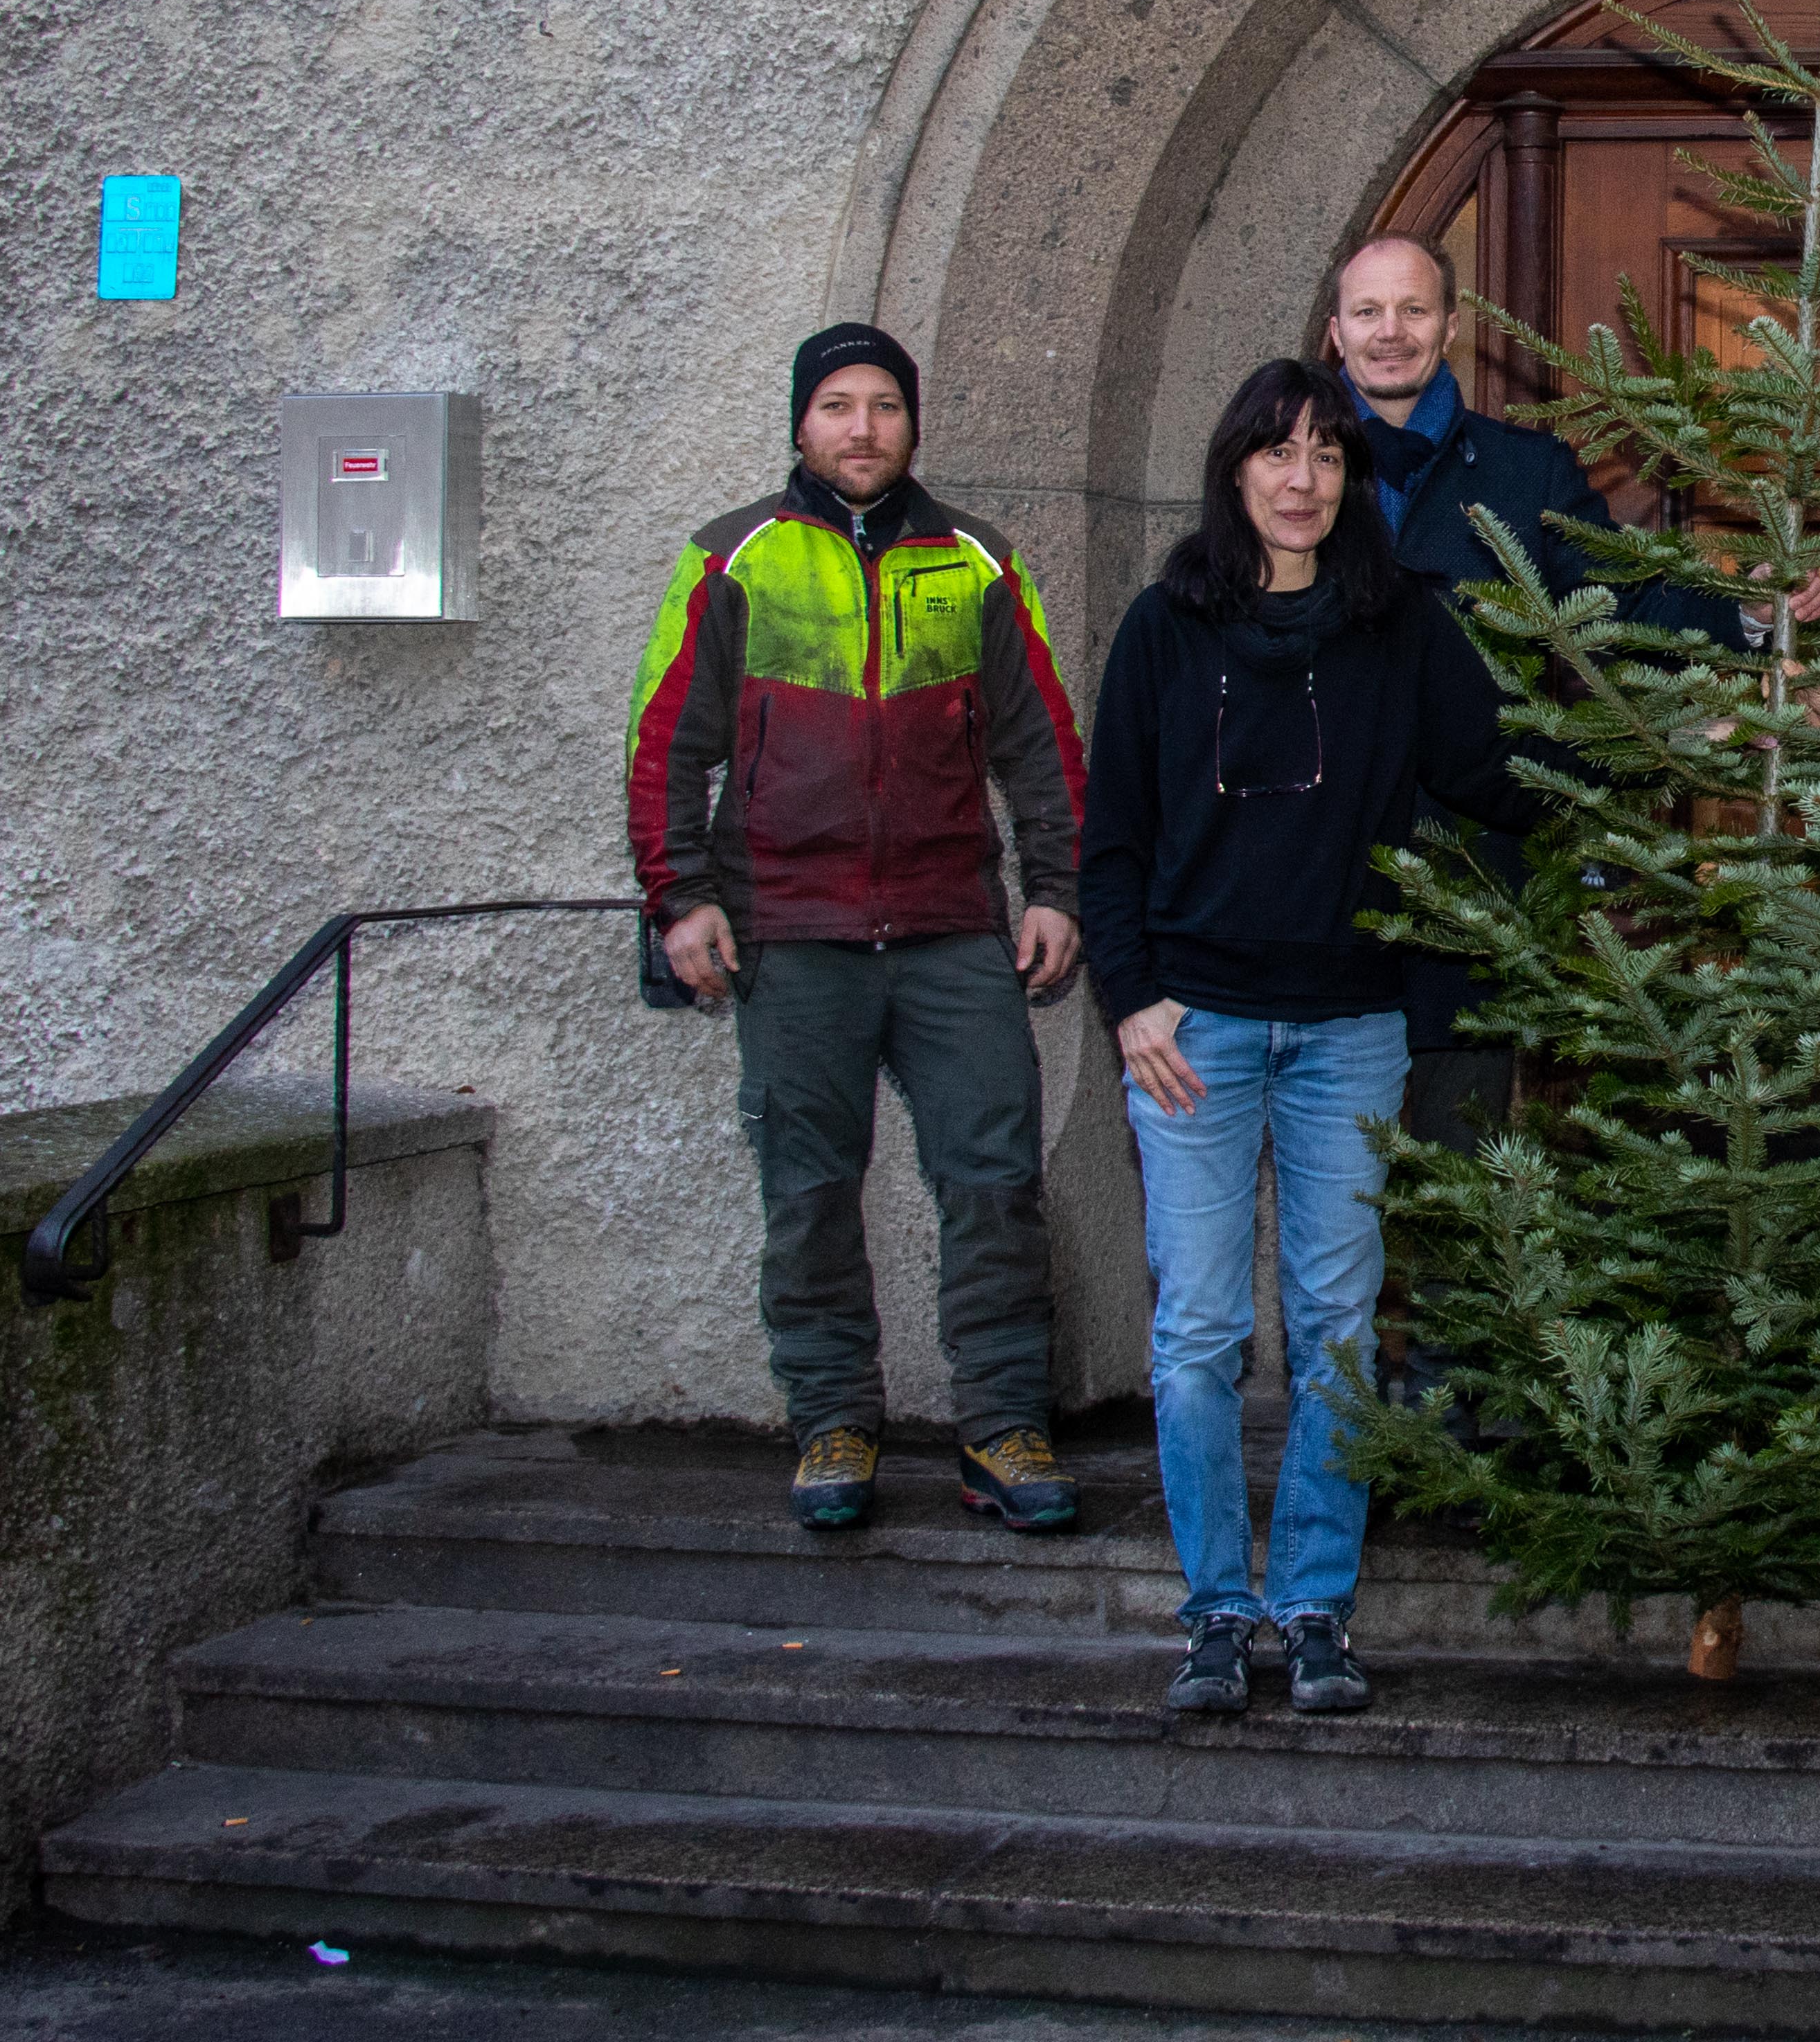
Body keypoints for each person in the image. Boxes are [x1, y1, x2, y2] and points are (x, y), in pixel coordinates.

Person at [1080, 356, 1546, 1719]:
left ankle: (1318, 1604)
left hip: (1351, 1027)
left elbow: (1492, 769)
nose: (1303, 478)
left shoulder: (1396, 623)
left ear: (1353, 477)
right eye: (1278, 452)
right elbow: (1110, 842)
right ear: (1236, 469)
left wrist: (1664, 737)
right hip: (1196, 1033)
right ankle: (1219, 1605)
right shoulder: (1167, 627)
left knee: (1341, 1326)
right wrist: (1132, 998)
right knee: (1203, 1328)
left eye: (1329, 455)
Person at [627, 321, 1090, 1536]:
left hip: (951, 930)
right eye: (838, 404)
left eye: (885, 404)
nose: (863, 427)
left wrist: (1057, 889)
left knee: (994, 1186)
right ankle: (833, 1418)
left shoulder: (979, 561)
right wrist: (680, 898)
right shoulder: (736, 560)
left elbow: (1041, 745)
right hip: (791, 928)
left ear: (912, 423)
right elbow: (667, 745)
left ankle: (1002, 1426)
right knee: (812, 1191)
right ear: (801, 423)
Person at [1321, 230, 1820, 1167]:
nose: (1392, 333)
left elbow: (1622, 607)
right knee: (1324, 1210)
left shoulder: (1526, 471)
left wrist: (1743, 611)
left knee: (1463, 1195)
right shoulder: (1290, 472)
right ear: (1335, 334)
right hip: (1316, 880)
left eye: (1414, 309)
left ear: (1452, 326)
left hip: (1475, 878)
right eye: (1368, 312)